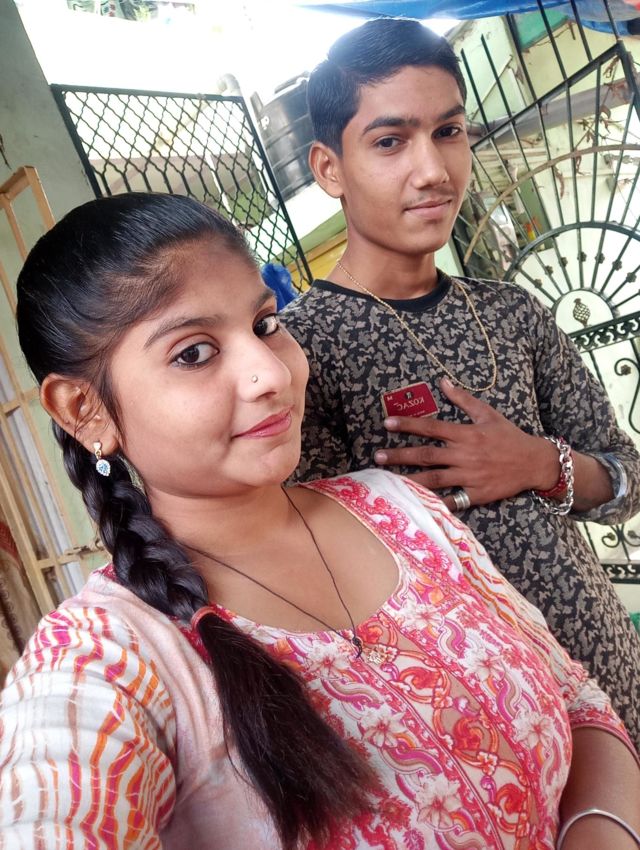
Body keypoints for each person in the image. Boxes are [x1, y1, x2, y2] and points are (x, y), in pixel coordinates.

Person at [0, 192, 639, 849]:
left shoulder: (401, 509)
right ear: (83, 410)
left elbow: (577, 697)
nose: (270, 373)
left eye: (264, 324)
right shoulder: (108, 658)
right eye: (194, 353)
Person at [280, 16, 640, 749]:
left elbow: (627, 477)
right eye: (390, 141)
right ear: (329, 168)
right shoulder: (301, 352)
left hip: (611, 669)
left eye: (448, 132)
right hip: (475, 732)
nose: (433, 171)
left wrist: (540, 464)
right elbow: (308, 566)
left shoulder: (512, 312)